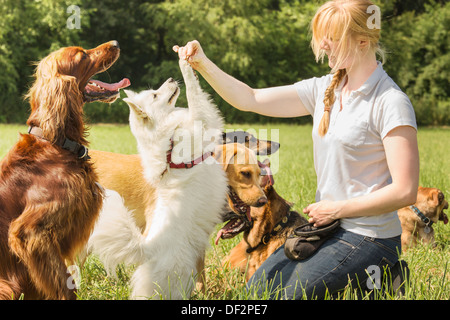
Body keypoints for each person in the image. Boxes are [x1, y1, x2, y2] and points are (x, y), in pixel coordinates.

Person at [173, 0, 419, 299]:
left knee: (284, 297)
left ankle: (381, 271)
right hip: (328, 228)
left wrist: (337, 208)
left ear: (363, 41)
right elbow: (251, 98)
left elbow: (405, 191)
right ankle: (373, 282)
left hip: (369, 236)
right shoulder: (324, 89)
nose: (324, 45)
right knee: (256, 291)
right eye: (322, 36)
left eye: (332, 37)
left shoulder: (390, 102)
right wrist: (203, 63)